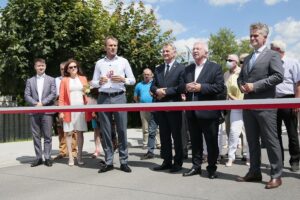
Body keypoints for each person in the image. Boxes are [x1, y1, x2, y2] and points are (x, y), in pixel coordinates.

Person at [237, 22, 284, 189]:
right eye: (251, 35)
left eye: (256, 35)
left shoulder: (273, 55)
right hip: (248, 105)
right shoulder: (248, 58)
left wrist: (255, 86)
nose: (252, 38)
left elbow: (278, 76)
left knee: (271, 141)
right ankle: (254, 171)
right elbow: (241, 77)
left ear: (265, 37)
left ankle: (276, 175)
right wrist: (242, 84)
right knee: (251, 141)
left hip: (266, 105)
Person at [91, 36, 136, 173]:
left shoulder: (123, 61)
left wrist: (123, 79)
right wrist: (99, 82)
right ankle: (109, 161)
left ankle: (124, 161)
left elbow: (133, 80)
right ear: (105, 47)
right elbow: (92, 82)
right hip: (103, 98)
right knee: (105, 131)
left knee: (122, 130)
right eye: (110, 45)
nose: (113, 48)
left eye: (115, 45)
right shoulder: (99, 63)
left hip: (119, 97)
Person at [181, 41, 224, 179]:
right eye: (193, 49)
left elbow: (219, 87)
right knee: (195, 141)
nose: (194, 50)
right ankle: (196, 166)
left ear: (206, 52)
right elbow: (181, 85)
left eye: (197, 48)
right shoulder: (187, 69)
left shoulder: (215, 68)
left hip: (208, 112)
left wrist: (201, 88)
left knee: (211, 141)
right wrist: (185, 87)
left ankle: (211, 168)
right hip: (191, 112)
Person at [150, 43, 185, 173]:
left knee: (176, 136)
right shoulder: (158, 69)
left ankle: (178, 162)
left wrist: (166, 91)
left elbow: (182, 87)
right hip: (161, 107)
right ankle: (166, 161)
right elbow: (152, 87)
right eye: (163, 51)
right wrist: (157, 91)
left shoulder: (181, 68)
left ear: (174, 53)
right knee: (164, 136)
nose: (165, 53)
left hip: (174, 106)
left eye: (167, 51)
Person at [271, 40, 300, 172]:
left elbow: (298, 84)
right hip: (273, 101)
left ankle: (294, 160)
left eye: (272, 50)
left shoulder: (293, 63)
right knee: (275, 134)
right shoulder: (270, 64)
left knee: (292, 133)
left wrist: (296, 101)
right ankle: (279, 161)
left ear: (278, 50)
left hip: (289, 100)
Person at [24, 58, 56, 167]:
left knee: (48, 136)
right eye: (38, 66)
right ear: (35, 67)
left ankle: (47, 157)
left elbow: (53, 94)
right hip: (34, 111)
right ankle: (38, 158)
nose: (41, 67)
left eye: (42, 65)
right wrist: (35, 103)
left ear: (45, 66)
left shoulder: (51, 80)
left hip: (47, 111)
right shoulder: (30, 80)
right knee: (36, 136)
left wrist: (42, 103)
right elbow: (27, 95)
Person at [59, 59, 90, 166]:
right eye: (70, 67)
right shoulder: (64, 80)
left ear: (77, 68)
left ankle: (80, 156)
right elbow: (61, 97)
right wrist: (61, 111)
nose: (73, 69)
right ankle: (71, 157)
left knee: (80, 133)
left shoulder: (83, 79)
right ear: (67, 69)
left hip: (81, 109)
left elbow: (87, 93)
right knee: (68, 133)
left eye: (75, 67)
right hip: (68, 110)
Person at [223, 54, 249, 167]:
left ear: (236, 62)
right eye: (226, 60)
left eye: (229, 60)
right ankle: (231, 154)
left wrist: (236, 99)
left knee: (245, 132)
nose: (227, 61)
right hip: (229, 106)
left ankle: (246, 154)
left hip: (243, 105)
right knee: (231, 130)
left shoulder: (242, 72)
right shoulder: (226, 74)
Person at [134, 68, 161, 159]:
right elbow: (135, 97)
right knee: (146, 128)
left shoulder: (155, 84)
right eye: (145, 74)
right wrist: (139, 105)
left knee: (155, 128)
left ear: (152, 75)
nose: (146, 76)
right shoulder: (139, 85)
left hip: (155, 108)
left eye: (148, 74)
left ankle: (158, 144)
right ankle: (146, 145)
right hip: (143, 108)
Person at [54, 61, 77, 160]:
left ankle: (74, 151)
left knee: (74, 129)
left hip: (71, 106)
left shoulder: (72, 79)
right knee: (61, 130)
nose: (63, 71)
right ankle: (63, 151)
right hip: (59, 105)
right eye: (61, 69)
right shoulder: (56, 80)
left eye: (65, 69)